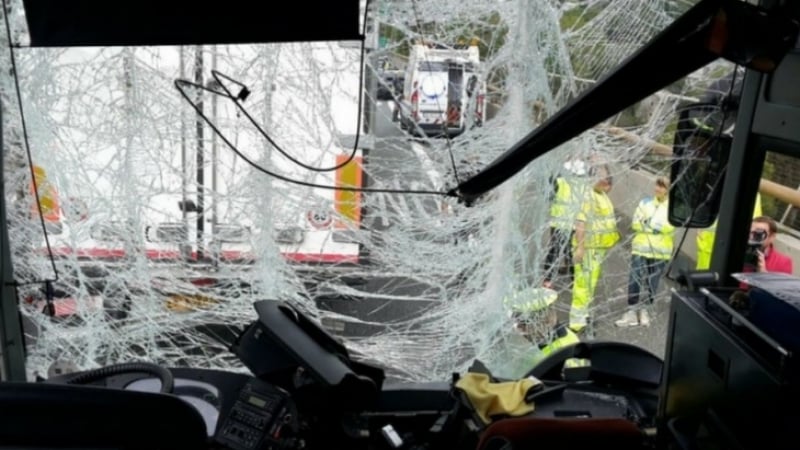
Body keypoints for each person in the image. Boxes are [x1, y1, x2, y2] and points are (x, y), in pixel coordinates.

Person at [615, 177, 675, 327]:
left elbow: (669, 227)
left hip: (660, 251)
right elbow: (636, 223)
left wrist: (648, 223)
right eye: (657, 185)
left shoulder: (673, 208)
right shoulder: (645, 202)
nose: (658, 189)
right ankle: (631, 310)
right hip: (641, 248)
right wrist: (655, 226)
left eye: (662, 186)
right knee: (634, 279)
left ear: (669, 189)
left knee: (652, 281)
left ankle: (645, 309)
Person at [570, 164, 620, 333]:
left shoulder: (601, 195)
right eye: (602, 177)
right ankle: (576, 323)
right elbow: (580, 223)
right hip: (589, 249)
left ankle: (582, 316)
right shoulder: (588, 195)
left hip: (597, 249)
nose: (606, 180)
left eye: (607, 177)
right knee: (583, 285)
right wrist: (580, 248)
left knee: (589, 285)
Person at [502, 285, 585, 375]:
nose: (517, 327)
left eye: (521, 321)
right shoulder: (564, 334)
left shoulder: (543, 359)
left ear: (544, 320)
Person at [543, 157, 589, 288]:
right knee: (571, 250)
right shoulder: (584, 183)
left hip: (558, 221)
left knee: (555, 249)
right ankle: (574, 280)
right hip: (576, 222)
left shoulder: (558, 179)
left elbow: (548, 196)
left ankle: (548, 280)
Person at [696, 193, 762, 270]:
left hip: (724, 249)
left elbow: (754, 226)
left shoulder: (750, 192)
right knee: (702, 274)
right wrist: (700, 224)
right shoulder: (722, 185)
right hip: (707, 243)